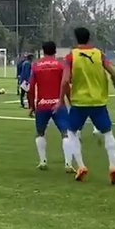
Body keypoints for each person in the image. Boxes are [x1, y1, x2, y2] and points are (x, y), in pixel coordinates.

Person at [61, 27, 115, 184]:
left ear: (76, 38)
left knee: (72, 132)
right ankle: (113, 166)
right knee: (108, 132)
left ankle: (81, 166)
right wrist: (114, 84)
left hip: (80, 102)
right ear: (89, 38)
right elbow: (114, 74)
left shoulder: (70, 56)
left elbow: (66, 80)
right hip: (98, 101)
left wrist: (61, 99)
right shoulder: (99, 54)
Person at [27, 41, 73, 172]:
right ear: (55, 51)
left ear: (43, 50)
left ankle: (43, 161)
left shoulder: (36, 66)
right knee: (65, 133)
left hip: (42, 104)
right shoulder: (60, 65)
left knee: (40, 133)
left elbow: (30, 88)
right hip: (58, 104)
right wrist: (70, 100)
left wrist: (31, 106)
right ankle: (68, 164)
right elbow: (65, 84)